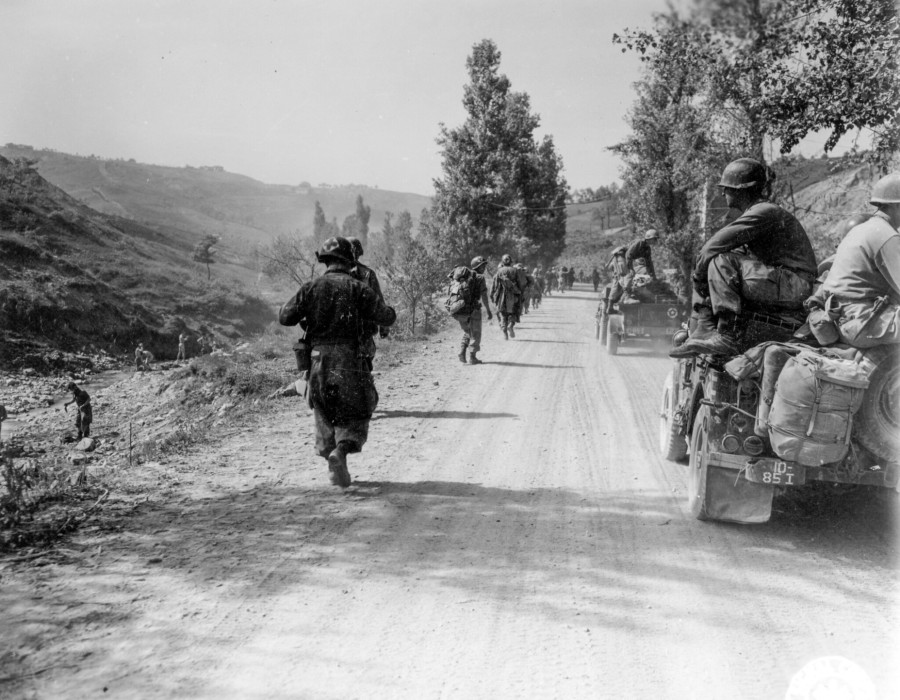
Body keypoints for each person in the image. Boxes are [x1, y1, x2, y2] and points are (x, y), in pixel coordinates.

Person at [279, 237, 396, 488]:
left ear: (325, 260)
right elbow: (385, 316)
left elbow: (285, 317)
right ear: (349, 261)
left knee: (322, 408)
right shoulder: (358, 288)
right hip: (351, 359)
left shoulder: (311, 288)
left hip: (317, 360)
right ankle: (341, 452)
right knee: (358, 407)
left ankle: (331, 458)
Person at [671, 158, 816, 358]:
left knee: (720, 260)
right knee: (726, 258)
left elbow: (710, 249)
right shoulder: (760, 212)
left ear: (742, 190)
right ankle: (706, 327)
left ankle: (726, 335)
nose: (723, 193)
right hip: (788, 283)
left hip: (795, 285)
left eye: (727, 188)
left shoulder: (763, 212)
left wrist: (698, 281)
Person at [815, 173, 900, 348]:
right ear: (897, 206)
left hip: (845, 321)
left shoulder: (862, 229)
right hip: (866, 322)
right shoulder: (886, 235)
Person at [348, 237, 389, 372]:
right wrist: (384, 325)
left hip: (341, 335)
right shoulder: (367, 274)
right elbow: (379, 302)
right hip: (363, 333)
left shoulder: (331, 275)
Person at [605, 229, 660, 313]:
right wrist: (630, 268)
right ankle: (627, 298)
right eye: (654, 238)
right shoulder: (640, 243)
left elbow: (649, 263)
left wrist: (653, 276)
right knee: (628, 274)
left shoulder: (647, 249)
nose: (655, 241)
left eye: (656, 239)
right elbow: (628, 255)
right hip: (621, 256)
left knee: (618, 280)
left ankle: (610, 307)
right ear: (648, 238)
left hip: (624, 257)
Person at [453, 256, 493, 364]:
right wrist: (488, 310)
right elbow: (484, 296)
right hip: (474, 309)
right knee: (475, 333)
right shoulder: (480, 277)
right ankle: (472, 357)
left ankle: (462, 351)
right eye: (482, 266)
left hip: (460, 308)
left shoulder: (463, 276)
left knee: (468, 331)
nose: (484, 268)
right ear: (477, 266)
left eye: (484, 265)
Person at [491, 254, 524, 339]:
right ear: (511, 261)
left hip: (501, 296)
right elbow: (520, 284)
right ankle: (511, 325)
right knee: (514, 312)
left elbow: (495, 285)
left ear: (502, 261)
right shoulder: (514, 270)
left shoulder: (499, 271)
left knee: (503, 314)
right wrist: (521, 293)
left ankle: (505, 332)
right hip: (513, 295)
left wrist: (492, 295)